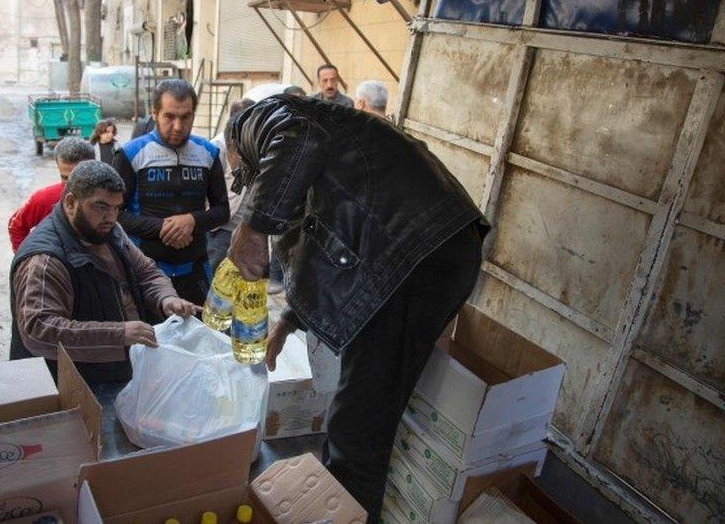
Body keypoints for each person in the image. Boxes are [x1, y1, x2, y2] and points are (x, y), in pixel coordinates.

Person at [226, 95, 487, 518]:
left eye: (242, 177)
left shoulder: (261, 119)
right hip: (425, 256)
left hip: (412, 260)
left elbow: (301, 139)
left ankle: (345, 513)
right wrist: (290, 320)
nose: (245, 184)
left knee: (357, 426)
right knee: (363, 411)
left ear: (239, 148)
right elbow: (315, 242)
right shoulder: (319, 145)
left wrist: (253, 226)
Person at [9, 161, 200, 385]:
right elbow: (39, 330)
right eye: (100, 206)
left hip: (116, 373)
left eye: (116, 207)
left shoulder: (110, 230)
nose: (110, 216)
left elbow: (146, 272)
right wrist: (118, 335)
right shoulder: (45, 260)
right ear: (71, 202)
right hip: (69, 387)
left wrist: (166, 298)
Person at [112, 79, 229, 305]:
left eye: (186, 117)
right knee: (148, 339)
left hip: (195, 270)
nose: (178, 126)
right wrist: (163, 228)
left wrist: (192, 221)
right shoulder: (130, 154)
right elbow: (115, 214)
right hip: (146, 271)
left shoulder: (208, 153)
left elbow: (222, 211)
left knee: (201, 337)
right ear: (154, 113)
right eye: (169, 117)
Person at [8, 137, 96, 251]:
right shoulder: (44, 199)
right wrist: (25, 259)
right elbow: (16, 226)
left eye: (80, 177)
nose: (72, 185)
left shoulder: (109, 199)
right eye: (65, 178)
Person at [207, 98, 255, 275]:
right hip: (222, 231)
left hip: (247, 229)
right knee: (214, 278)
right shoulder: (217, 147)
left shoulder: (256, 140)